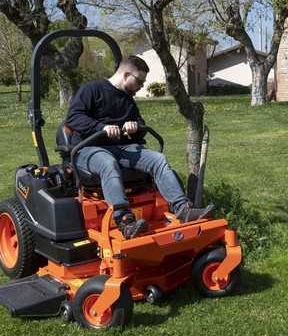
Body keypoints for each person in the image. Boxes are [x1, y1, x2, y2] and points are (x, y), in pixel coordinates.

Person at [63, 55, 213, 238]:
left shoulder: (128, 100)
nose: (142, 86)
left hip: (122, 148)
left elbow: (140, 125)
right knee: (107, 163)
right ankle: (125, 221)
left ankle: (183, 209)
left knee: (158, 160)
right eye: (140, 81)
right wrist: (101, 128)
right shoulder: (92, 90)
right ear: (126, 75)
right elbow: (73, 117)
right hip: (88, 149)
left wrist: (135, 127)